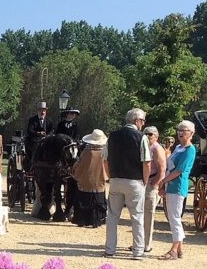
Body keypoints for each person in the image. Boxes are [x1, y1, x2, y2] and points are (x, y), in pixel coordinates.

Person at [103, 108, 152, 259]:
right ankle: (138, 251)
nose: (143, 124)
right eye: (143, 121)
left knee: (112, 216)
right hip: (134, 180)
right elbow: (147, 162)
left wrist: (110, 177)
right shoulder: (141, 137)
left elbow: (105, 159)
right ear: (136, 121)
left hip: (116, 180)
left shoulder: (112, 136)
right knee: (137, 216)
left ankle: (110, 249)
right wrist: (145, 180)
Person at [158, 120, 197, 261]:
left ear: (191, 133)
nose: (181, 133)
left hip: (177, 186)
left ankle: (174, 249)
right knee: (173, 217)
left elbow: (179, 170)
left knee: (174, 218)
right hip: (171, 185)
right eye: (179, 130)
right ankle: (179, 249)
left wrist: (163, 181)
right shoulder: (179, 148)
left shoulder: (190, 150)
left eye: (184, 130)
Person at [71, 129, 109, 228]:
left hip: (86, 179)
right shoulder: (105, 152)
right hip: (99, 179)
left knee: (83, 198)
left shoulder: (86, 151)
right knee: (98, 200)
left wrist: (74, 170)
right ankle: (97, 220)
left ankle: (82, 220)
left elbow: (79, 163)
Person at [142, 126, 167, 253]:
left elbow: (162, 170)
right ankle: (140, 242)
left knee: (148, 215)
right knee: (140, 215)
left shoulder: (157, 149)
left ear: (156, 137)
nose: (147, 136)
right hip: (142, 183)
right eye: (145, 133)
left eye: (150, 134)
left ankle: (147, 244)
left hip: (151, 184)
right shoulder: (144, 146)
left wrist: (154, 185)